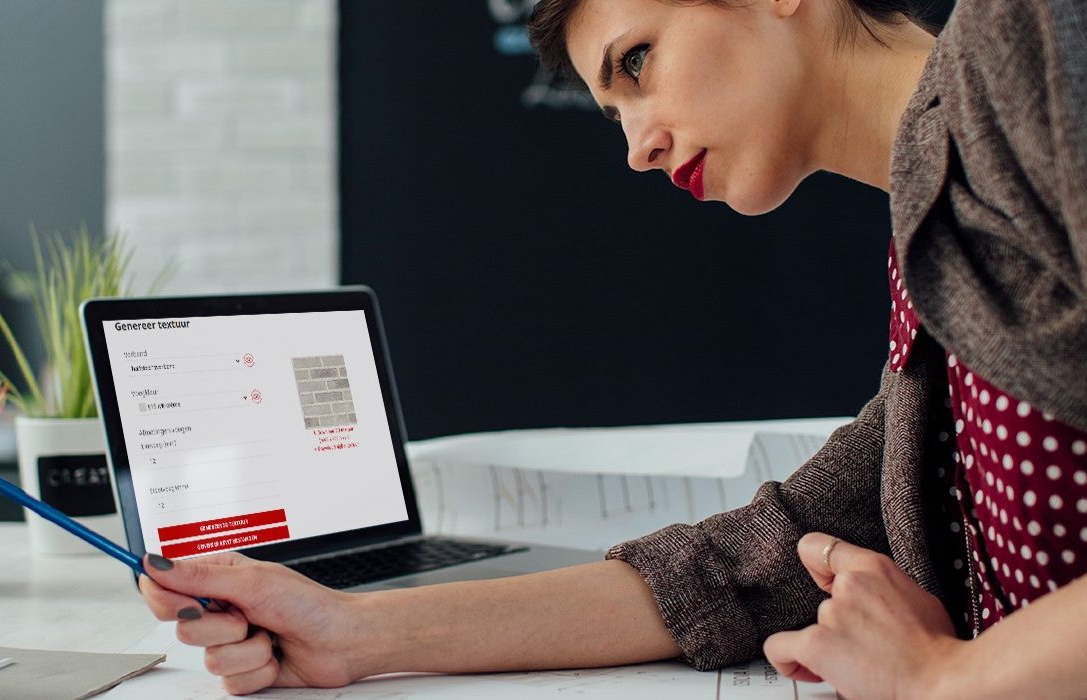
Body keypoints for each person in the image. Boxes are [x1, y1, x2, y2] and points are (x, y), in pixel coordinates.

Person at [136, 0, 1087, 696]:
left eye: (638, 61)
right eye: (613, 110)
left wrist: (943, 679)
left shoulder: (1029, 41)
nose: (635, 147)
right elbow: (739, 568)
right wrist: (349, 631)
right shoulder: (926, 261)